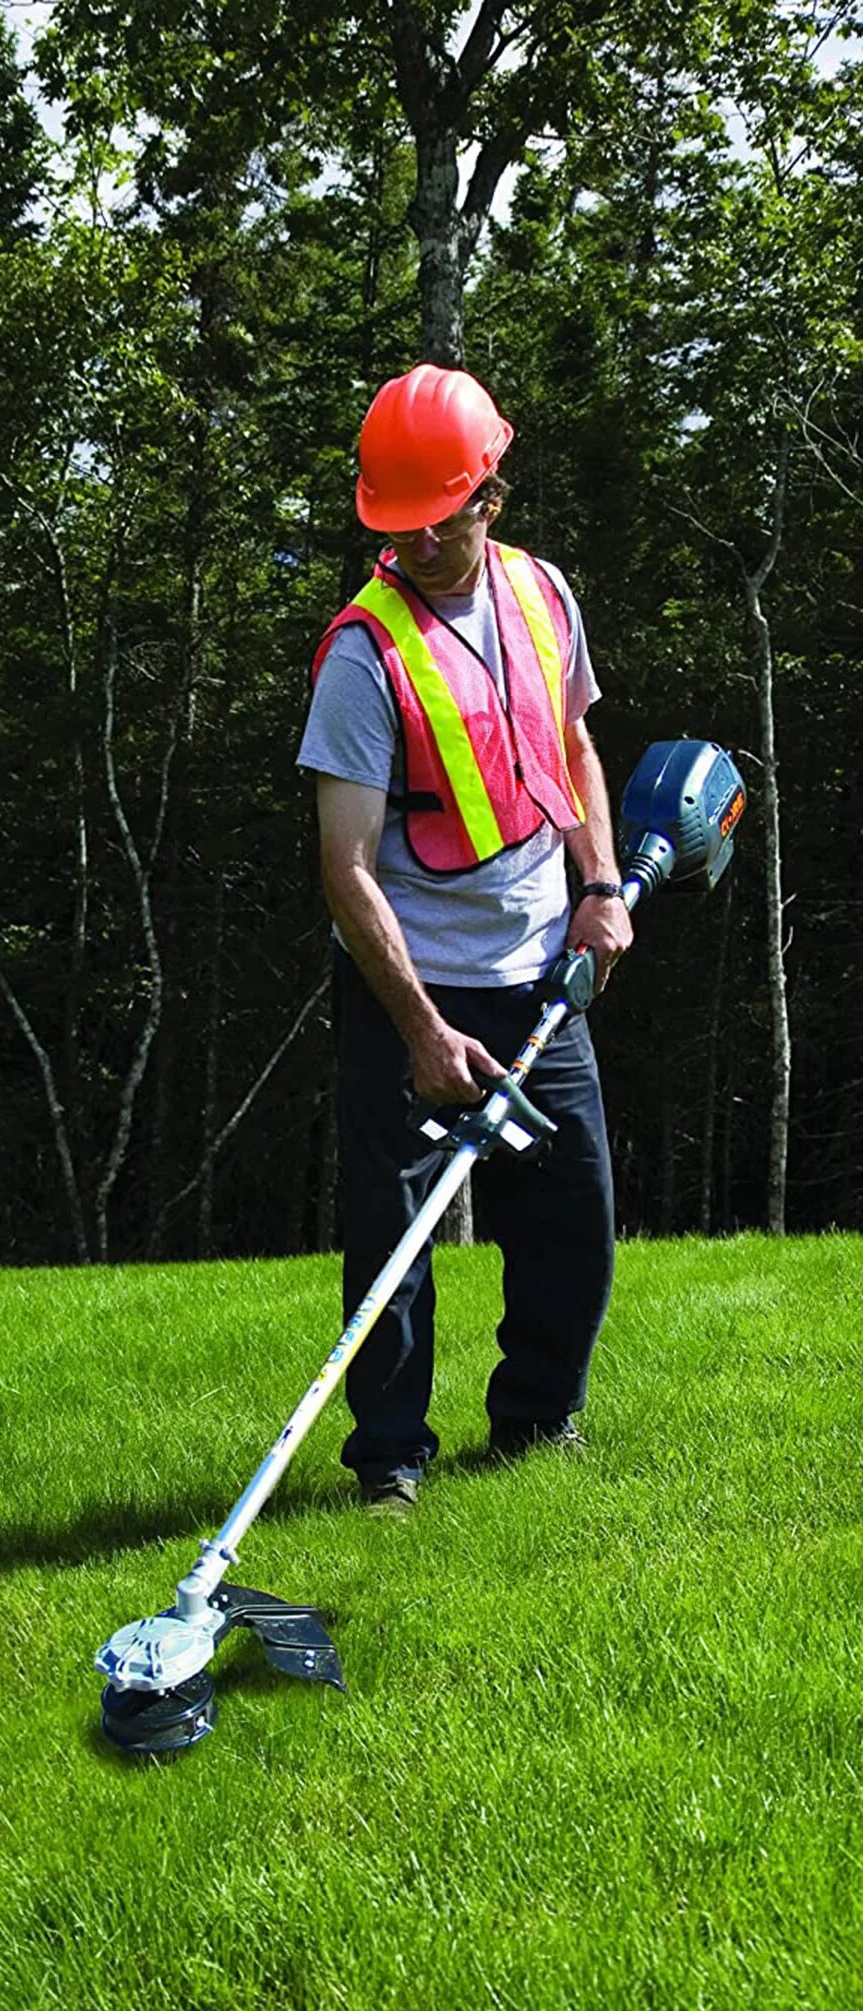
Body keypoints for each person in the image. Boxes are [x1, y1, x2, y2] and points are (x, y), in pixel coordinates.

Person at [296, 362, 634, 1507]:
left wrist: (600, 883)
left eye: (443, 516)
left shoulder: (543, 594)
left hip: (543, 969)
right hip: (413, 988)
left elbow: (576, 750)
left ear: (490, 493)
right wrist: (423, 1033)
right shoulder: (363, 653)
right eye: (400, 522)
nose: (421, 541)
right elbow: (345, 871)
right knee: (395, 1240)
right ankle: (388, 1461)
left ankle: (539, 1426)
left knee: (573, 1217)